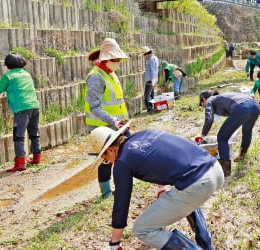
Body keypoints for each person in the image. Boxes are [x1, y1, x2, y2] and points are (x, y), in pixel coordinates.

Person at [87, 124, 224, 249]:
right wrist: (161, 188)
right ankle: (206, 245)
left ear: (110, 150)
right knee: (183, 197)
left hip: (198, 184)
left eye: (105, 159)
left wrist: (115, 241)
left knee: (142, 229)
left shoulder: (122, 161)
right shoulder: (146, 133)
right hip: (215, 170)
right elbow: (166, 156)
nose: (108, 162)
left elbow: (121, 204)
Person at [0, 54, 41, 172]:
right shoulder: (26, 74)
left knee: (19, 136)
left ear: (7, 65)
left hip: (21, 109)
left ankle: (20, 163)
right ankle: (37, 158)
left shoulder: (8, 76)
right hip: (34, 106)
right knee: (34, 133)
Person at [85, 38, 131, 199]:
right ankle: (106, 192)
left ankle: (123, 186)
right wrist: (113, 120)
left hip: (118, 124)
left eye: (119, 60)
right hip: (101, 127)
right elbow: (94, 106)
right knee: (106, 160)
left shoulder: (110, 74)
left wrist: (122, 120)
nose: (118, 63)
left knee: (125, 154)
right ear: (106, 59)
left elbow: (117, 101)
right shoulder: (96, 78)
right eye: (115, 60)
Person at [196, 91, 260, 177]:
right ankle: (242, 155)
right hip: (255, 106)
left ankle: (225, 170)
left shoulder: (209, 100)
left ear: (203, 99)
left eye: (202, 104)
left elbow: (209, 119)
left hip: (242, 108)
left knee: (222, 137)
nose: (204, 106)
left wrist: (202, 135)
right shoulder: (222, 97)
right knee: (247, 130)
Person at [140, 46, 159, 114]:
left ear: (147, 54)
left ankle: (149, 109)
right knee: (151, 95)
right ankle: (154, 107)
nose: (144, 57)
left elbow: (153, 70)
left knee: (146, 96)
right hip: (153, 80)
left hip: (150, 80)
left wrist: (153, 81)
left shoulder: (151, 59)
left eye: (144, 55)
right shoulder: (154, 58)